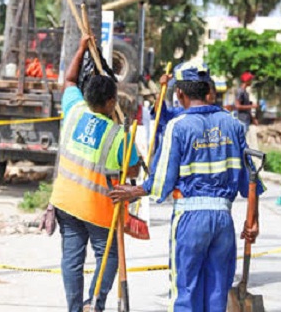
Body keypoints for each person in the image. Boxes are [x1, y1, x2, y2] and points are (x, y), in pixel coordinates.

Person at [109, 61, 262, 312]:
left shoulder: (178, 126)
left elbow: (160, 184)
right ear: (208, 90)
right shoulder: (233, 124)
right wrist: (253, 220)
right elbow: (251, 181)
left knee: (185, 292)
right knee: (217, 293)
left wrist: (134, 190)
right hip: (223, 220)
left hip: (191, 218)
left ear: (179, 93)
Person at [49, 35, 139, 312]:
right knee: (107, 254)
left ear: (87, 97)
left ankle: (76, 308)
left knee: (72, 259)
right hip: (99, 209)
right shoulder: (119, 135)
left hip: (66, 202)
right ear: (112, 102)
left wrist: (79, 49)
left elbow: (69, 80)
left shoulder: (74, 110)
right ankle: (96, 303)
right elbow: (133, 169)